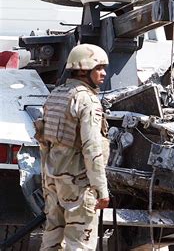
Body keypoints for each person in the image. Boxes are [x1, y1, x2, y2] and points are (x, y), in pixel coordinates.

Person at [37, 44, 110, 250]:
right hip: (78, 183)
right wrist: (101, 189)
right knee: (80, 244)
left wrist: (46, 182)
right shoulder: (87, 100)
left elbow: (44, 142)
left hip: (54, 180)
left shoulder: (56, 95)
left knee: (51, 240)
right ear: (83, 70)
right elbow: (92, 148)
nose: (103, 73)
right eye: (98, 68)